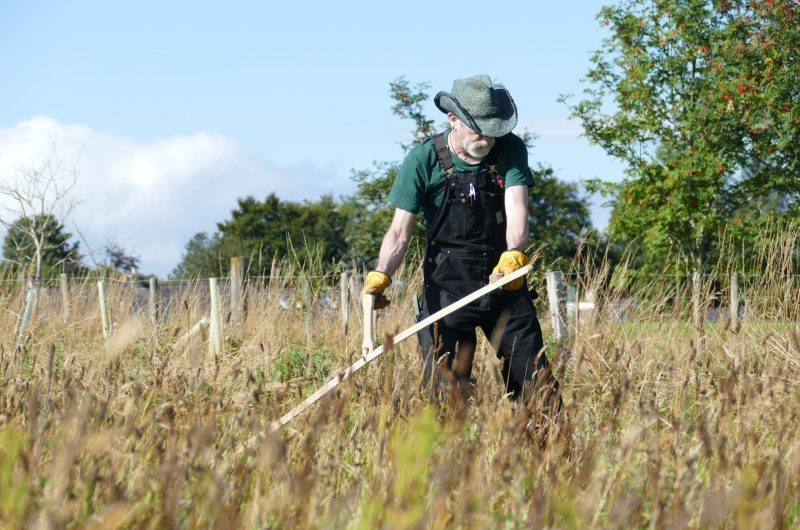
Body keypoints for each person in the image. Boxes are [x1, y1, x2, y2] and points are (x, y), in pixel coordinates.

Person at [362, 74, 560, 409]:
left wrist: (514, 254)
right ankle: (451, 461)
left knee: (537, 393)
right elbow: (399, 231)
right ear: (453, 119)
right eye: (478, 128)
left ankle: (552, 459)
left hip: (505, 287)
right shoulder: (424, 160)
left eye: (494, 129)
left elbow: (517, 209)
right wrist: (382, 275)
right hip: (446, 292)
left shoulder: (510, 149)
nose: (488, 137)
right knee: (447, 400)